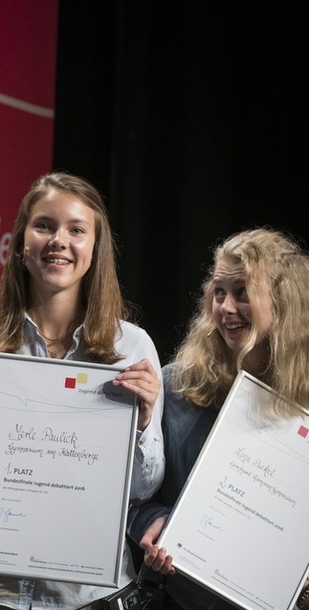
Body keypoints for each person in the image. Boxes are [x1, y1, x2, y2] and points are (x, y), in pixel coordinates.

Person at [0, 172, 164, 609]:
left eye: (77, 230)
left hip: (93, 595)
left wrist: (144, 422)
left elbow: (143, 488)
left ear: (95, 250)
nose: (59, 240)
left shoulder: (133, 348)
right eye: (44, 226)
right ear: (23, 242)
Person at [129, 228, 309, 610]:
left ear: (282, 301)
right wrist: (155, 524)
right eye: (219, 292)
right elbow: (132, 496)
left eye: (242, 292)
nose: (227, 308)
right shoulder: (178, 386)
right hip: (178, 598)